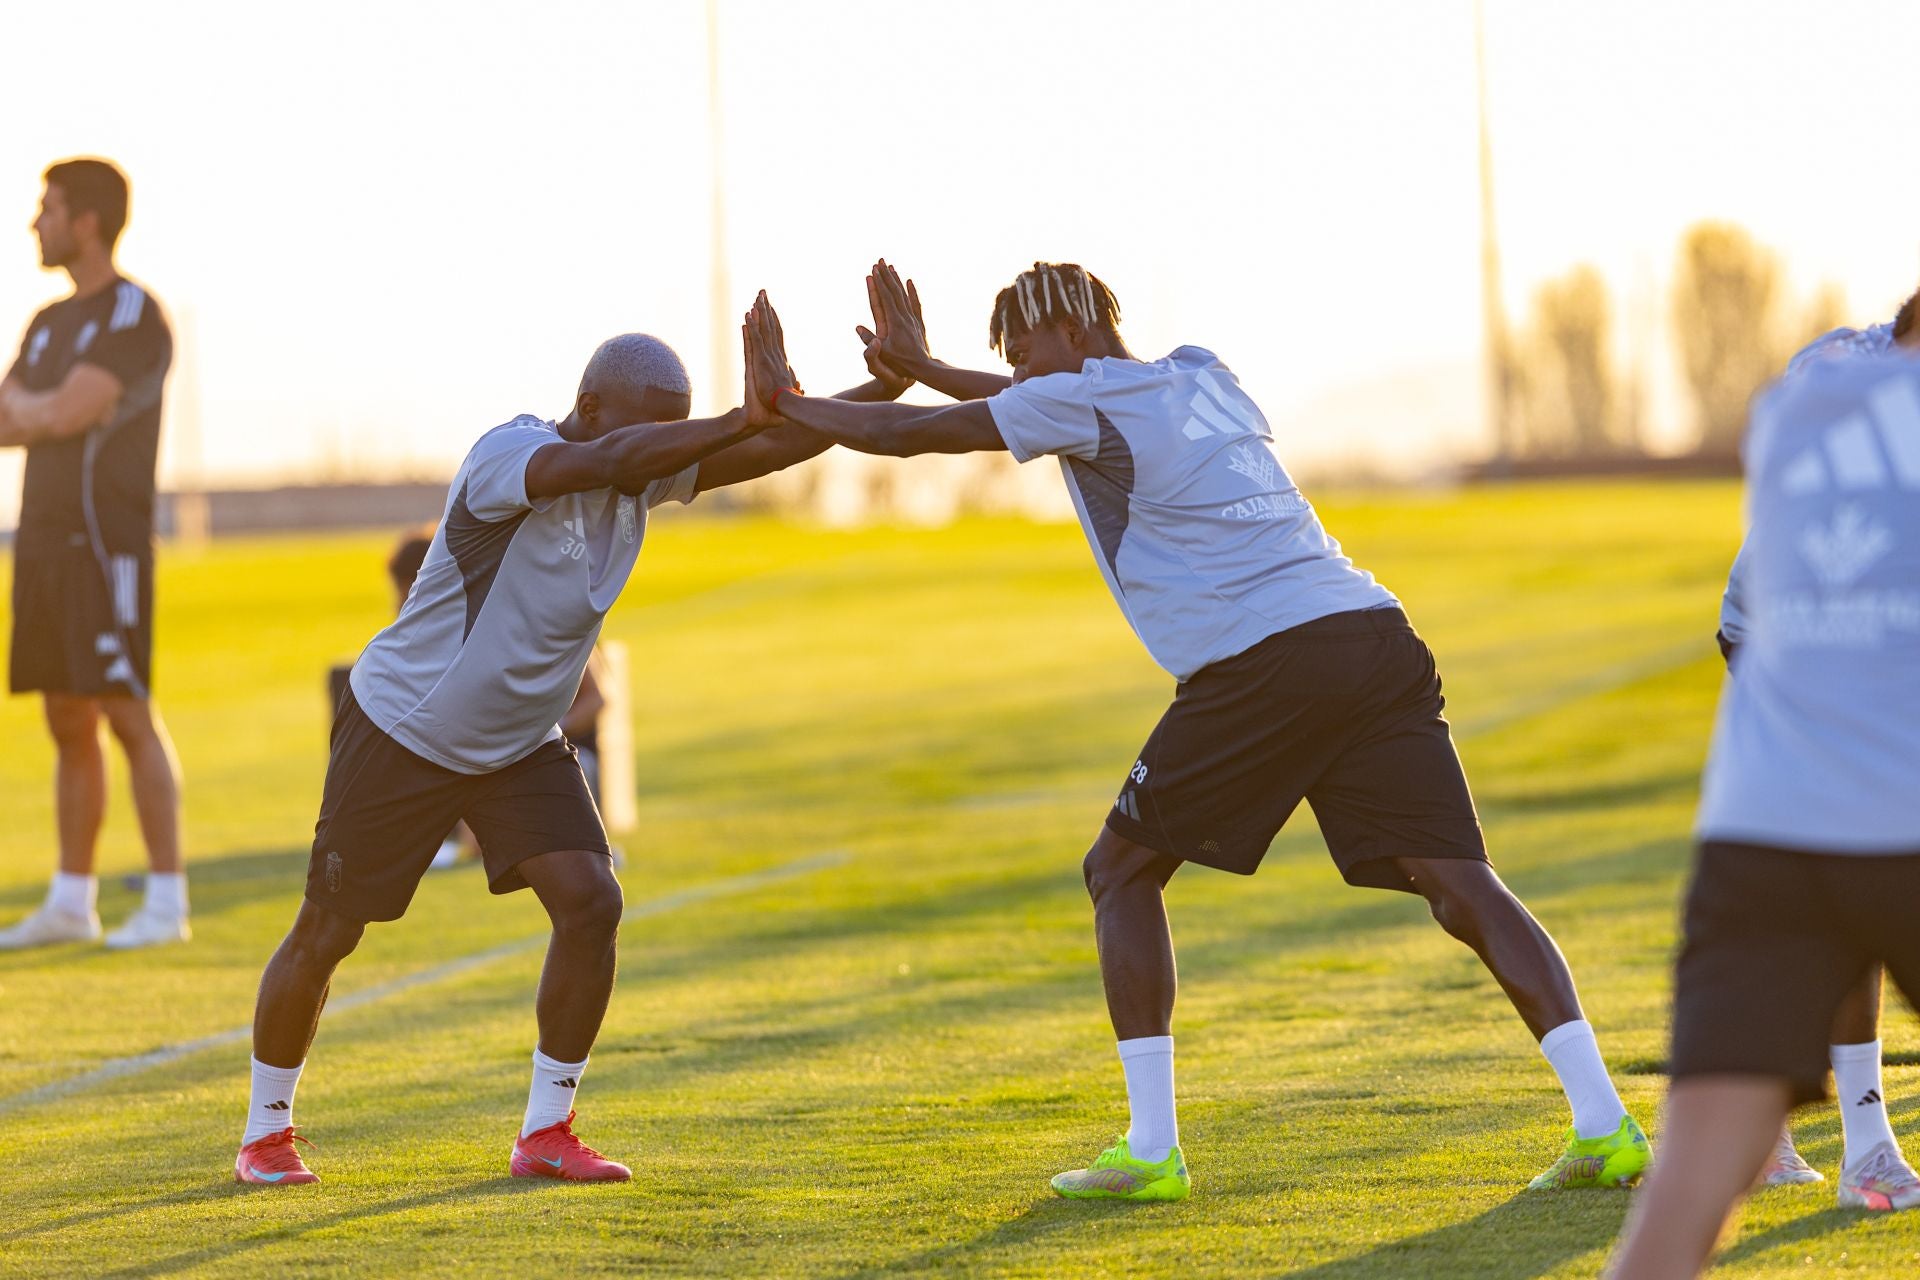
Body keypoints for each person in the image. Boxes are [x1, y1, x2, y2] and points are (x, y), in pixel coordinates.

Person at [743, 262, 1648, 1201]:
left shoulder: (1082, 403)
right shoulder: (1200, 372)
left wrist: (789, 404)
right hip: (1373, 634)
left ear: (1077, 333)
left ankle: (1150, 1149)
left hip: (1265, 660)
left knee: (1119, 870)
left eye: (1023, 352)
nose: (1015, 374)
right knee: (1463, 883)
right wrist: (927, 364)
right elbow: (1020, 405)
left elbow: (914, 438)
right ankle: (1606, 1124)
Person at [234, 309, 895, 1186]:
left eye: (678, 431)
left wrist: (875, 395)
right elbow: (626, 458)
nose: (668, 451)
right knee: (329, 930)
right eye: (654, 427)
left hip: (514, 742)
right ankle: (265, 1135)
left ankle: (547, 1132)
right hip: (406, 727)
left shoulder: (640, 472)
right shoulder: (511, 457)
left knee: (592, 903)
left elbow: (765, 453)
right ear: (588, 403)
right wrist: (748, 412)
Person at [1605, 343, 1920, 1279]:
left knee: (1689, 1194)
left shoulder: (1807, 397)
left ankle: (1849, 1146)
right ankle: (1865, 1147)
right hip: (1901, 810)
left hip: (1763, 828)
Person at [1715, 290, 1920, 1198]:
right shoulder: (1835, 373)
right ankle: (1860, 1146)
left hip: (1873, 647)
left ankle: (1776, 1137)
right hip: (1794, 641)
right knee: (1850, 880)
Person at [0, 158, 188, 951]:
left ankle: (166, 899)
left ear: (85, 222)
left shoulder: (134, 314)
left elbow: (77, 407)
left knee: (124, 709)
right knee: (64, 715)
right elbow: (10, 419)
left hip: (105, 543)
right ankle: (73, 901)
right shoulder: (46, 322)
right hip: (39, 544)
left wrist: (47, 408)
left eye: (47, 209)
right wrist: (49, 410)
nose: (34, 222)